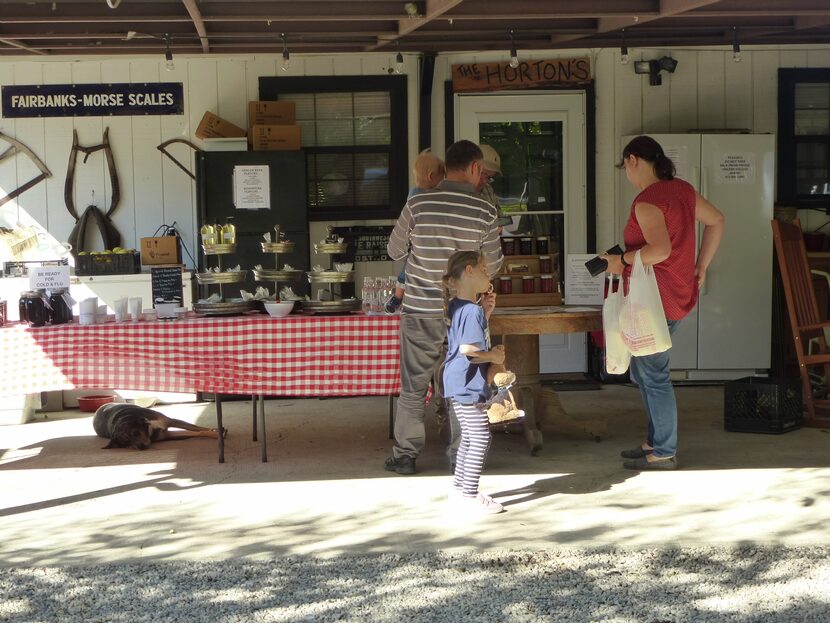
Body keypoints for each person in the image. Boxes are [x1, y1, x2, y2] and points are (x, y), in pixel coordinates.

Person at [603, 135, 725, 471]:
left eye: (625, 167)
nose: (626, 174)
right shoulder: (682, 190)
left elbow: (660, 251)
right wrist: (701, 265)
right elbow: (717, 220)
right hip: (677, 294)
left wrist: (622, 260)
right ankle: (655, 442)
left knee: (653, 374)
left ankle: (665, 450)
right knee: (644, 372)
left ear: (632, 160)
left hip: (654, 301)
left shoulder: (646, 201)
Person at [384, 140, 503, 475]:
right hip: (463, 314)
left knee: (413, 388)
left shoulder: (418, 202)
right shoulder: (484, 211)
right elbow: (491, 266)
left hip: (420, 309)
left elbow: (394, 250)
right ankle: (457, 454)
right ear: (476, 168)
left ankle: (405, 455)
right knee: (460, 386)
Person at [442, 250, 505, 513]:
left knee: (468, 436)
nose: (487, 274)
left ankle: (460, 489)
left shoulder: (460, 305)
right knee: (479, 437)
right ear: (469, 271)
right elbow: (469, 349)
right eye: (484, 269)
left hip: (455, 380)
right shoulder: (472, 311)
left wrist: (486, 313)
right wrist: (495, 355)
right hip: (468, 382)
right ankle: (470, 495)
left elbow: (466, 340)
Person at [385, 150, 446, 314]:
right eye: (442, 177)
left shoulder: (417, 193)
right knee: (407, 269)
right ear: (432, 176)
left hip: (420, 243)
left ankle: (398, 297)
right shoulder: (421, 196)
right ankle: (398, 297)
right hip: (420, 244)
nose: (444, 181)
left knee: (408, 268)